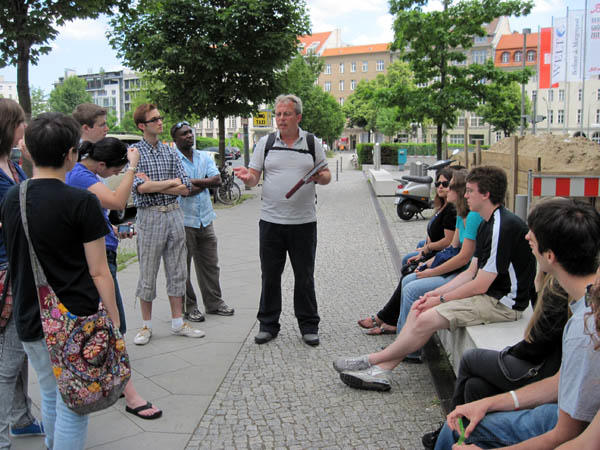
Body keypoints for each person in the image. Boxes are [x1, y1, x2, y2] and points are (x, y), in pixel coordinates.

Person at [334, 166, 536, 391]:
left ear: (486, 194)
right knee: (419, 306)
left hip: (503, 304)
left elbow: (480, 284)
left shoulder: (502, 226)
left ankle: (371, 361)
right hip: (489, 295)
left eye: (470, 191)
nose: (465, 195)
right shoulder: (486, 222)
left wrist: (440, 299)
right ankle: (381, 371)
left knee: (426, 317)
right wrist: (435, 293)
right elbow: (470, 273)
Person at [437, 197, 600, 449]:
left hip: (567, 422)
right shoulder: (586, 304)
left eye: (533, 234)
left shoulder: (584, 327)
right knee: (476, 394)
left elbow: (566, 436)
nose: (526, 237)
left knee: (454, 433)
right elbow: (561, 382)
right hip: (566, 409)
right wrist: (489, 403)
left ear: (550, 256)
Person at [1, 112, 121, 449]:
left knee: (51, 392)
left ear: (30, 151)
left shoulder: (13, 197)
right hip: (75, 318)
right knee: (76, 404)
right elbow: (99, 271)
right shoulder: (81, 202)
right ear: (71, 153)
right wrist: (113, 319)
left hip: (29, 315)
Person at [68, 102, 163, 420]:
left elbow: (94, 215)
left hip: (103, 252)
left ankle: (113, 382)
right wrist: (133, 166)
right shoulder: (80, 174)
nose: (107, 127)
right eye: (102, 124)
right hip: (97, 262)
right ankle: (129, 393)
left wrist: (110, 229)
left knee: (109, 323)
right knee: (114, 322)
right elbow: (118, 200)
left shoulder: (81, 172)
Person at [421, 271, 569, 448]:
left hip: (539, 368)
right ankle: (460, 433)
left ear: (551, 257)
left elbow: (537, 344)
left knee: (470, 359)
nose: (529, 243)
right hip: (544, 370)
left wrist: (507, 354)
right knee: (474, 386)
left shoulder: (562, 293)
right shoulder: (560, 288)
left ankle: (450, 429)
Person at [233, 94, 331, 346]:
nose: (281, 118)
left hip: (303, 223)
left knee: (304, 277)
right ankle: (268, 325)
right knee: (270, 276)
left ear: (298, 117)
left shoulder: (311, 142)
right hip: (271, 222)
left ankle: (308, 325)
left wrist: (319, 177)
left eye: (286, 114)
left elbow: (326, 175)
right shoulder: (265, 143)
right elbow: (254, 177)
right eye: (278, 114)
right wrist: (246, 177)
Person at [131, 103, 205, 345]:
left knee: (177, 269)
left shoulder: (170, 152)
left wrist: (157, 185)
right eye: (154, 119)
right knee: (148, 270)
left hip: (174, 213)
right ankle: (146, 325)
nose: (160, 122)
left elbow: (185, 187)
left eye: (160, 117)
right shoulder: (134, 153)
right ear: (142, 126)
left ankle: (178, 322)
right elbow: (140, 188)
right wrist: (169, 183)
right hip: (150, 215)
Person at [358, 168, 458, 334]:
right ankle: (392, 319)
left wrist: (427, 250)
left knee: (408, 275)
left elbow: (448, 242)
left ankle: (386, 319)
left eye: (445, 184)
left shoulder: (452, 211)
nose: (440, 186)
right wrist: (423, 250)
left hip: (439, 255)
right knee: (407, 262)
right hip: (433, 252)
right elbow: (433, 233)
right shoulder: (442, 206)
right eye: (438, 183)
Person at [0, 99, 45, 449]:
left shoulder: (14, 165)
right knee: (9, 360)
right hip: (5, 272)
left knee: (19, 351)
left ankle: (21, 418)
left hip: (19, 266)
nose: (24, 128)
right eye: (20, 122)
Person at [171, 121, 234, 322]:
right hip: (183, 221)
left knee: (210, 265)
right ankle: (189, 307)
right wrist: (197, 184)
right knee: (183, 268)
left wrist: (191, 182)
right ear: (175, 139)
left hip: (205, 219)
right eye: (184, 134)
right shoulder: (172, 159)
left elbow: (216, 180)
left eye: (190, 132)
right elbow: (182, 189)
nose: (189, 135)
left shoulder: (204, 156)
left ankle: (214, 303)